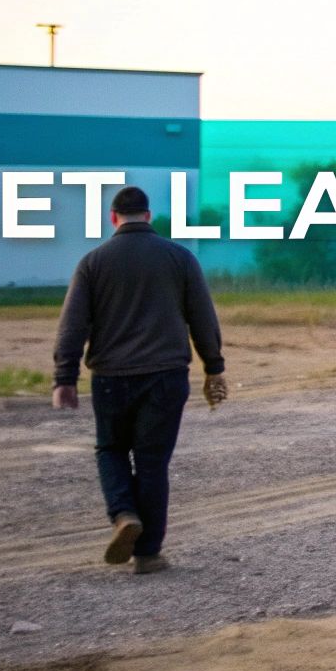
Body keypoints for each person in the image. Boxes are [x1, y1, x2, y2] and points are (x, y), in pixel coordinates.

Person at [52, 185, 228, 574]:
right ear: (148, 217)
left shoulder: (92, 262)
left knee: (111, 450)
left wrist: (64, 377)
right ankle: (148, 554)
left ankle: (123, 514)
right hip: (166, 377)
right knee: (152, 463)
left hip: (111, 378)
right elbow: (202, 316)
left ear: (113, 218)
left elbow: (72, 325)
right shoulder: (180, 258)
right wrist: (213, 367)